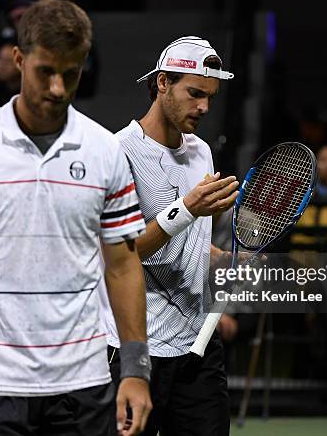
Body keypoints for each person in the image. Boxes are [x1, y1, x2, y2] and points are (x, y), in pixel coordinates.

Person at [0, 0, 152, 436]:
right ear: (19, 59)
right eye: (46, 71)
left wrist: (136, 368)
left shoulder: (105, 151)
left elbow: (123, 264)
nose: (58, 87)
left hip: (84, 382)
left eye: (71, 73)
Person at [100, 36, 238, 436]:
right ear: (162, 83)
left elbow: (187, 244)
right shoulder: (117, 152)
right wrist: (187, 209)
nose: (204, 107)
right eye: (195, 93)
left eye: (210, 96)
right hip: (135, 347)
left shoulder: (202, 152)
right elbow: (119, 253)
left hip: (199, 347)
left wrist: (221, 258)